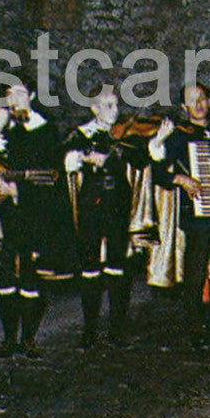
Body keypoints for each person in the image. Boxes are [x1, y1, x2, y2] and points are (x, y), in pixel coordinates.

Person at [150, 82, 210, 350]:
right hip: (200, 216)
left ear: (209, 101)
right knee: (196, 274)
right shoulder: (180, 136)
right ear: (184, 107)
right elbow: (158, 171)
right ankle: (196, 328)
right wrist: (180, 178)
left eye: (202, 98)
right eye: (193, 101)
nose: (199, 105)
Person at [0, 83, 64, 358]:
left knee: (31, 273)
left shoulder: (46, 130)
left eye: (19, 93)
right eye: (9, 95)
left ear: (31, 96)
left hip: (36, 210)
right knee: (4, 271)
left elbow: (52, 174)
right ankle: (8, 338)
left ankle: (28, 337)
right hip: (5, 214)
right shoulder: (3, 129)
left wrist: (20, 188)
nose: (14, 100)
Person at [63, 85, 137, 349]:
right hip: (91, 204)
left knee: (117, 263)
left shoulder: (125, 135)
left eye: (116, 105)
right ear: (93, 108)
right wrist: (83, 157)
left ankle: (116, 329)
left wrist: (158, 142)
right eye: (107, 105)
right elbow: (67, 160)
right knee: (90, 265)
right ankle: (90, 329)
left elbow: (140, 159)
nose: (114, 111)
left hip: (118, 202)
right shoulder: (82, 134)